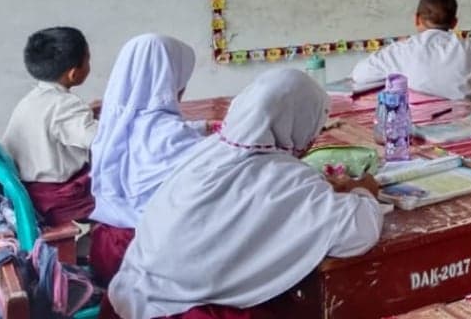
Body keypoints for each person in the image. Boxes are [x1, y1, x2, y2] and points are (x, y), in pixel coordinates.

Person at [105, 69, 384, 319]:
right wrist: (364, 190)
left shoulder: (207, 150)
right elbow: (358, 231)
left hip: (126, 299)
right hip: (187, 313)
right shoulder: (285, 177)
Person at [88, 34, 209, 285]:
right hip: (148, 259)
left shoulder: (112, 122)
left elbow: (148, 136)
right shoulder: (171, 135)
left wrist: (200, 127)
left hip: (105, 248)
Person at [2, 27, 98, 225]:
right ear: (73, 74)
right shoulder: (66, 105)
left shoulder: (33, 99)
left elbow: (54, 124)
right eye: (88, 59)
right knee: (122, 198)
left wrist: (86, 113)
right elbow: (99, 140)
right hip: (59, 201)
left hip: (31, 192)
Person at [350, 0, 471, 100]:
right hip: (465, 125)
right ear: (454, 23)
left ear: (417, 19)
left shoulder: (400, 50)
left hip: (417, 127)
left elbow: (359, 75)